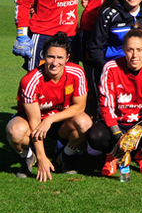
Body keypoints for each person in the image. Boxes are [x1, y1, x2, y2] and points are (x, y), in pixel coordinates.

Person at [7, 32, 90, 180]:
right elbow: (34, 120)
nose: (55, 62)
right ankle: (27, 157)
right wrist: (41, 157)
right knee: (15, 131)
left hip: (60, 122)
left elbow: (79, 107)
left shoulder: (77, 73)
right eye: (51, 56)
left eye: (60, 57)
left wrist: (50, 120)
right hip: (34, 121)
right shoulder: (30, 81)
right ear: (43, 55)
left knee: (85, 123)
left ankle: (66, 156)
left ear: (67, 58)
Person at [89, 29, 142, 177]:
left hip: (141, 124)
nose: (134, 55)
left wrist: (140, 127)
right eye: (130, 50)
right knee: (95, 135)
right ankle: (114, 155)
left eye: (139, 50)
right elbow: (105, 106)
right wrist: (118, 135)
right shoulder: (111, 68)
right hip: (117, 123)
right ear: (123, 49)